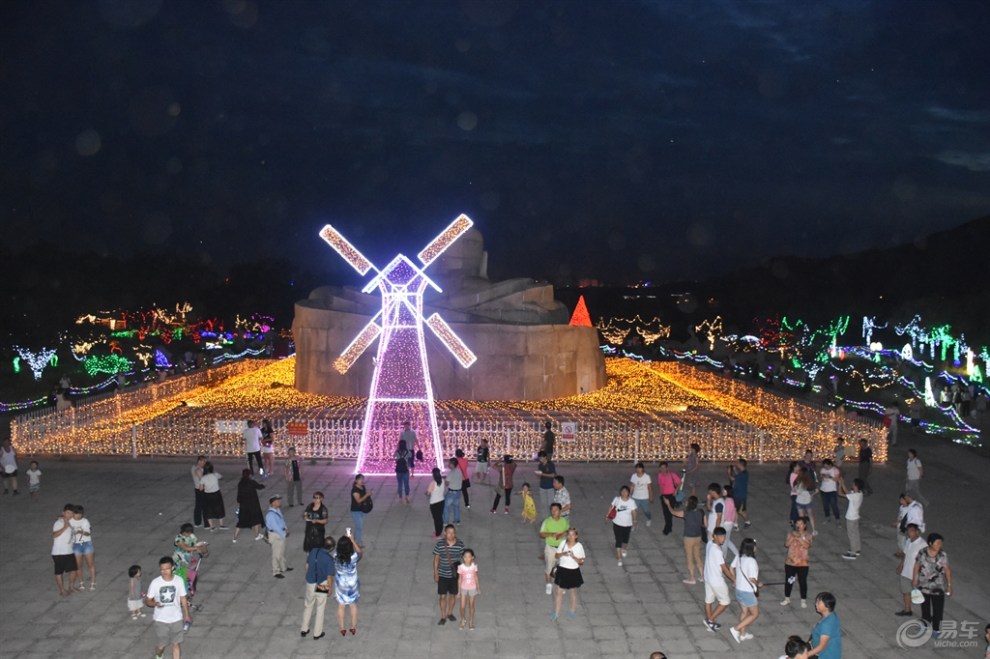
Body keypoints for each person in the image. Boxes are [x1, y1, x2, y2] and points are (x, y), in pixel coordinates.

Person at [145, 556, 192, 659]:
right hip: (161, 619)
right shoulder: (155, 583)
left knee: (176, 644)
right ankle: (159, 653)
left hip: (176, 618)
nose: (164, 571)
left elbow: (183, 598)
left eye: (167, 568)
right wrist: (154, 604)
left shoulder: (179, 580)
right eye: (162, 569)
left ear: (173, 568)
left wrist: (187, 615)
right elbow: (148, 600)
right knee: (162, 645)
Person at [913, 532, 952, 637]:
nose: (940, 545)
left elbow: (947, 570)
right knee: (925, 607)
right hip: (923, 585)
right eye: (937, 543)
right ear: (930, 543)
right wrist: (915, 579)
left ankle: (936, 629)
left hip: (937, 587)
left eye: (941, 543)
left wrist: (949, 585)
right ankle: (925, 625)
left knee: (937, 609)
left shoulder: (942, 555)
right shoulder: (922, 553)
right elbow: (917, 566)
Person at [663, 495, 704, 584]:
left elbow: (673, 512)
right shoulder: (700, 512)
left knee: (689, 556)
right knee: (697, 555)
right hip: (698, 536)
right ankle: (702, 576)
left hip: (689, 537)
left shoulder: (686, 513)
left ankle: (692, 578)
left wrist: (668, 504)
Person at [301, 535, 335, 640]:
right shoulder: (329, 559)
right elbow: (329, 576)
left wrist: (309, 576)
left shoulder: (314, 551)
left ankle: (304, 628)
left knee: (308, 605)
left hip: (311, 582)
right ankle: (317, 633)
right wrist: (329, 588)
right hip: (322, 584)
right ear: (331, 548)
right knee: (320, 607)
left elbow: (306, 566)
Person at [730, 537, 761, 643]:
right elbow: (752, 579)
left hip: (738, 589)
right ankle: (736, 629)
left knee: (744, 612)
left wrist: (734, 580)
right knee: (754, 614)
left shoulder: (739, 557)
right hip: (747, 592)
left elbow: (731, 568)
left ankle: (743, 635)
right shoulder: (752, 561)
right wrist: (759, 583)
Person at [433, 524, 465, 625]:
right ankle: (443, 616)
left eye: (453, 533)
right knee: (442, 596)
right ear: (445, 533)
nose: (451, 535)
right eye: (449, 533)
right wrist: (435, 572)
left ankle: (450, 612)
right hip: (442, 574)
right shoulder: (440, 545)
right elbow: (436, 559)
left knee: (452, 595)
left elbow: (464, 559)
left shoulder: (460, 544)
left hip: (454, 576)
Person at [552, 527, 586, 621]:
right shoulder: (563, 543)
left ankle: (572, 610)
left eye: (572, 535)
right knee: (559, 592)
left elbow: (582, 561)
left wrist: (574, 557)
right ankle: (556, 612)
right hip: (562, 570)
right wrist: (563, 553)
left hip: (573, 571)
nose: (570, 537)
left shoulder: (579, 546)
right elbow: (556, 555)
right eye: (569, 534)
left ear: (576, 536)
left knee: (573, 592)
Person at [703, 527, 733, 632]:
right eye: (720, 536)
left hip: (708, 577)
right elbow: (724, 568)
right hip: (716, 580)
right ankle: (710, 619)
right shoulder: (717, 551)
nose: (723, 539)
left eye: (724, 536)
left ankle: (710, 623)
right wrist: (734, 579)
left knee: (708, 600)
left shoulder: (709, 544)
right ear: (714, 536)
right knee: (725, 601)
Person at [334, 531, 363, 635]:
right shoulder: (353, 557)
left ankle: (342, 628)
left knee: (341, 605)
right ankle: (353, 627)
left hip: (341, 584)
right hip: (352, 584)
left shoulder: (336, 556)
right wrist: (352, 540)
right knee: (353, 605)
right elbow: (360, 552)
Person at [896, 523, 926, 616]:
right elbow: (905, 554)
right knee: (906, 592)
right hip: (906, 572)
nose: (909, 533)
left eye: (912, 531)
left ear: (917, 531)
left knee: (920, 595)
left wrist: (917, 576)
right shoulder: (908, 541)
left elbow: (924, 562)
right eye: (908, 531)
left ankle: (925, 614)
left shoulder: (922, 544)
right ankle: (907, 610)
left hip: (915, 574)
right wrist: (901, 565)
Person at [781, 517, 813, 608]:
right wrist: (793, 537)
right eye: (797, 523)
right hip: (791, 563)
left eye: (801, 524)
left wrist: (799, 538)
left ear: (805, 525)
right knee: (789, 580)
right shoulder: (791, 534)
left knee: (802, 581)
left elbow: (807, 545)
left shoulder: (808, 535)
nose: (799, 525)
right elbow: (786, 544)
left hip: (803, 563)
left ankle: (803, 600)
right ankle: (787, 598)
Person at [541, 502, 570, 594]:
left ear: (560, 511)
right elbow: (541, 534)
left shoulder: (564, 521)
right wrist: (551, 534)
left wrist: (564, 534)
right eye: (552, 510)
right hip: (551, 548)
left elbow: (567, 530)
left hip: (562, 548)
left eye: (556, 510)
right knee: (549, 566)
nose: (553, 512)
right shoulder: (547, 522)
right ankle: (548, 585)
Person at [172, 523, 208, 596]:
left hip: (189, 558)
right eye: (188, 533)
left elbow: (195, 544)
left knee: (194, 573)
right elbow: (185, 548)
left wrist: (202, 548)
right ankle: (181, 591)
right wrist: (197, 548)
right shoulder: (178, 538)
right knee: (181, 575)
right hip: (179, 559)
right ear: (184, 532)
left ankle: (192, 588)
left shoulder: (191, 536)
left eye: (190, 532)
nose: (190, 534)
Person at [232, 469, 265, 543]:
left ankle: (234, 537)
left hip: (244, 505)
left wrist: (239, 501)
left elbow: (239, 495)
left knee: (241, 522)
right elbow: (259, 487)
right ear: (249, 475)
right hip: (253, 504)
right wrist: (263, 485)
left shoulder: (240, 483)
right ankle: (257, 535)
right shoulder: (251, 482)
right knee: (256, 520)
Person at [52, 503, 77, 597]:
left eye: (71, 513)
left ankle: (71, 587)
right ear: (63, 512)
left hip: (69, 551)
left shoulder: (72, 522)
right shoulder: (58, 523)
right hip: (59, 552)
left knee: (73, 570)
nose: (69, 515)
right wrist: (65, 527)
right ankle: (62, 590)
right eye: (68, 513)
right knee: (59, 572)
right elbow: (54, 535)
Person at [608, 485, 637, 567]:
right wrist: (607, 515)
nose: (624, 493)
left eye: (626, 491)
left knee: (625, 539)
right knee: (618, 540)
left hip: (627, 524)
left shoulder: (631, 502)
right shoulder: (617, 499)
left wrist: (634, 521)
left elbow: (634, 512)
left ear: (628, 493)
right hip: (617, 523)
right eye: (622, 491)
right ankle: (619, 557)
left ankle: (624, 549)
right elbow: (611, 507)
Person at [70, 505, 96, 591]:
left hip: (86, 544)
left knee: (90, 564)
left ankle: (93, 582)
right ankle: (81, 583)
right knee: (78, 565)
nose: (78, 515)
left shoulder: (85, 521)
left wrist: (81, 531)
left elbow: (88, 533)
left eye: (80, 514)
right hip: (76, 545)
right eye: (76, 513)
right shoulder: (70, 521)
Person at [808, 591, 842, 659]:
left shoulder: (826, 625)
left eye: (819, 603)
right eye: (816, 602)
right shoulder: (831, 615)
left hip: (826, 655)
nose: (816, 604)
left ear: (827, 606)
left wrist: (806, 655)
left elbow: (821, 646)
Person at [265, 495, 291, 578]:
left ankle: (283, 567)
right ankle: (276, 571)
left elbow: (282, 520)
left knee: (281, 552)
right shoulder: (270, 515)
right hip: (276, 535)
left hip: (281, 533)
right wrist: (284, 534)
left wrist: (286, 528)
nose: (280, 502)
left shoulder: (277, 510)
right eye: (278, 501)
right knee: (276, 554)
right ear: (273, 503)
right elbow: (276, 527)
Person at [840, 478, 865, 559]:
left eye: (853, 484)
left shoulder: (854, 496)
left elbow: (841, 493)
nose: (852, 485)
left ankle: (853, 553)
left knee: (851, 535)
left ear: (856, 486)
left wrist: (840, 484)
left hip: (851, 517)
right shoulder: (860, 493)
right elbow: (847, 492)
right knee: (856, 533)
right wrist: (843, 484)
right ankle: (857, 549)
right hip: (856, 517)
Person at [894, 492, 925, 557]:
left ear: (908, 498)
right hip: (913, 528)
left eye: (905, 498)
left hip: (913, 529)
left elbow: (914, 521)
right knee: (907, 542)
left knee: (909, 543)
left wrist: (909, 529)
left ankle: (907, 555)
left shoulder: (913, 508)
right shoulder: (917, 505)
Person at [199, 462, 227, 530]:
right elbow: (221, 477)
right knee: (219, 508)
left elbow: (201, 488)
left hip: (208, 495)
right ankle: (221, 525)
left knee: (209, 509)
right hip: (216, 494)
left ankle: (212, 526)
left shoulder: (203, 478)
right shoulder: (215, 475)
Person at [656, 461, 682, 534]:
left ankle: (667, 528)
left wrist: (676, 490)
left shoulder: (672, 474)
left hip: (671, 495)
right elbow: (660, 485)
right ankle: (668, 526)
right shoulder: (659, 475)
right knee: (665, 512)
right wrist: (661, 494)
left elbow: (680, 482)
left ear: (667, 468)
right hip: (664, 495)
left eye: (664, 468)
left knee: (669, 512)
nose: (663, 469)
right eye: (661, 468)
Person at [457, 548, 480, 630]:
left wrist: (478, 588)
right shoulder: (461, 567)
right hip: (463, 588)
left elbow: (476, 577)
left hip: (472, 588)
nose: (467, 558)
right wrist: (459, 591)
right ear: (463, 557)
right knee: (462, 606)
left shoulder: (474, 566)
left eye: (469, 556)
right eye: (465, 557)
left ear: (472, 557)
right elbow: (459, 579)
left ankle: (471, 622)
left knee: (471, 605)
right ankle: (463, 620)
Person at [726, 458, 749, 528]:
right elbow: (737, 475)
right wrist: (734, 470)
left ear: (740, 464)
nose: (736, 464)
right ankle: (736, 524)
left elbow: (733, 479)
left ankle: (748, 521)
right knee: (735, 509)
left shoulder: (741, 475)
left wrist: (729, 473)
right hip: (737, 494)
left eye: (737, 463)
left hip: (740, 495)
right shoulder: (745, 473)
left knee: (741, 511)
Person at [794, 468, 817, 535]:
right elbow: (815, 491)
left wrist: (796, 488)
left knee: (801, 518)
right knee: (811, 515)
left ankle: (802, 531)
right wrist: (811, 495)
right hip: (808, 501)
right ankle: (814, 530)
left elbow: (797, 492)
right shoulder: (810, 482)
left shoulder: (799, 482)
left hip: (799, 501)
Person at [350, 474, 372, 545]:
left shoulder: (363, 487)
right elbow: (358, 500)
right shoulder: (355, 490)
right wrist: (367, 495)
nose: (362, 481)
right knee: (359, 527)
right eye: (360, 479)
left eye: (363, 479)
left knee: (358, 526)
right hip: (356, 510)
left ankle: (354, 539)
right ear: (356, 481)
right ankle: (358, 543)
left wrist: (368, 494)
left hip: (362, 509)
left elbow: (364, 496)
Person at [629, 462, 653, 527]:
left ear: (642, 469)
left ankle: (649, 518)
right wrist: (630, 495)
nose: (638, 470)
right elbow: (632, 486)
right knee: (634, 511)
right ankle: (634, 523)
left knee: (646, 511)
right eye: (637, 468)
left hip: (644, 497)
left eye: (640, 468)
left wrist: (651, 496)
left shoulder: (647, 477)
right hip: (635, 497)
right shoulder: (633, 476)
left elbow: (649, 487)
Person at [819, 458, 841, 526]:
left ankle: (837, 518)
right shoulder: (822, 470)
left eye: (826, 466)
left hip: (832, 490)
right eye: (824, 466)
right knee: (825, 505)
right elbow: (820, 478)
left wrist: (830, 476)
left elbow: (837, 479)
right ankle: (827, 517)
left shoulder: (835, 470)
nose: (825, 468)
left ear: (830, 464)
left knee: (834, 505)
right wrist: (822, 476)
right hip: (823, 490)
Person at [534, 451, 556, 517]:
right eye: (539, 458)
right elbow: (540, 476)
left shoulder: (550, 464)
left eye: (541, 458)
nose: (540, 459)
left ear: (545, 457)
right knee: (543, 504)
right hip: (542, 487)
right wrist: (538, 474)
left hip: (550, 487)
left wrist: (543, 474)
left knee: (550, 504)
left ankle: (552, 517)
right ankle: (545, 519)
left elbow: (553, 475)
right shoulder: (540, 465)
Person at [426, 468, 446, 538]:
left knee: (436, 519)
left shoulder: (433, 483)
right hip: (442, 501)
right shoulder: (443, 480)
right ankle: (439, 531)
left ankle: (437, 534)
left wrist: (426, 492)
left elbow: (428, 493)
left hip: (434, 503)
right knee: (440, 517)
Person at [721, 484, 739, 559]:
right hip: (730, 522)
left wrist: (721, 523)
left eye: (724, 490)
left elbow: (726, 514)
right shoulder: (731, 500)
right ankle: (737, 553)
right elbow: (734, 512)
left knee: (724, 542)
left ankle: (723, 557)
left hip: (726, 523)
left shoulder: (727, 501)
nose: (722, 491)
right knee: (727, 540)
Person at [443, 457, 463, 525]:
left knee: (445, 506)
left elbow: (446, 483)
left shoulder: (451, 473)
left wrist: (445, 480)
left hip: (451, 493)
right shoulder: (459, 471)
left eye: (449, 463)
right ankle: (457, 521)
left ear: (452, 464)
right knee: (456, 506)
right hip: (458, 492)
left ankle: (445, 521)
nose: (448, 464)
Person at [190, 456, 207, 528]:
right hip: (201, 489)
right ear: (199, 461)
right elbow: (202, 480)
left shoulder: (193, 467)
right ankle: (206, 523)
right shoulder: (198, 469)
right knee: (203, 506)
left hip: (197, 489)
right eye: (204, 462)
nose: (205, 463)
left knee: (198, 506)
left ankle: (197, 522)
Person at [394, 440, 412, 504]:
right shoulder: (407, 452)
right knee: (406, 484)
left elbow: (394, 457)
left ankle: (400, 497)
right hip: (405, 470)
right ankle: (407, 496)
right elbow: (410, 457)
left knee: (399, 484)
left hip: (398, 470)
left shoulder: (397, 452)